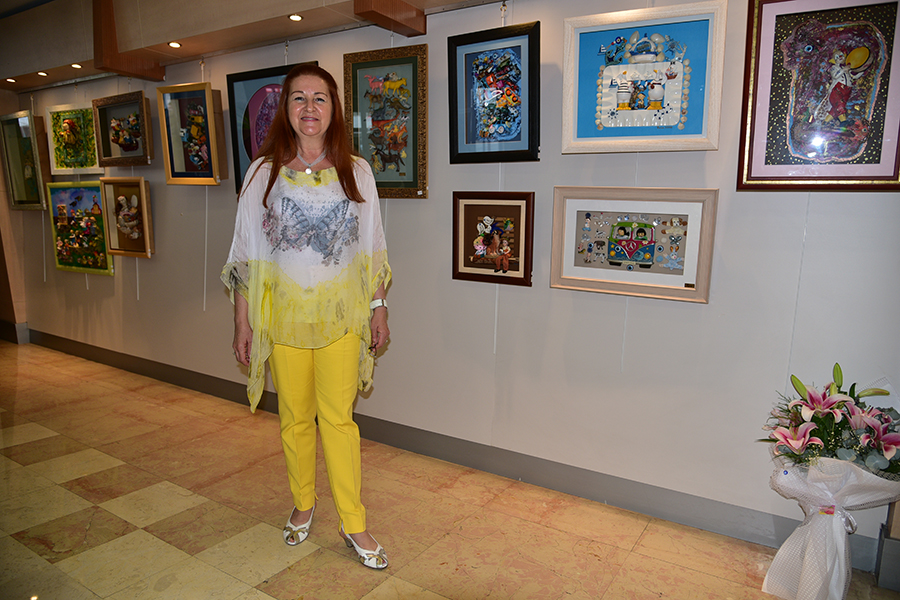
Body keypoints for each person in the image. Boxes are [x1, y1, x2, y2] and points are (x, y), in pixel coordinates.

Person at [221, 64, 391, 570]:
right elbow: (247, 254)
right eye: (299, 98)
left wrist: (379, 308)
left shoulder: (358, 172)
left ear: (334, 108)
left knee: (339, 421)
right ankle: (303, 502)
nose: (310, 107)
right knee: (294, 418)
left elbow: (372, 249)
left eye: (320, 98)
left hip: (342, 317)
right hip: (285, 318)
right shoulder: (261, 173)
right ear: (286, 109)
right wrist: (242, 322)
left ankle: (353, 522)